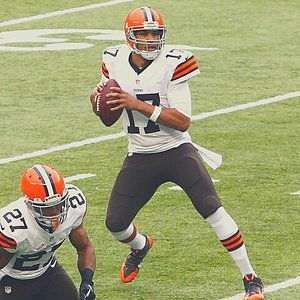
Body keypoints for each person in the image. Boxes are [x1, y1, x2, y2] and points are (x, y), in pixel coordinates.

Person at [90, 6, 264, 300]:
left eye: (155, 33)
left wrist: (136, 104)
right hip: (140, 154)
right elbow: (105, 112)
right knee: (115, 224)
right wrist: (96, 98)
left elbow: (182, 120)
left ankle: (251, 278)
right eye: (143, 33)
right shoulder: (113, 59)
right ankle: (141, 245)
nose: (150, 39)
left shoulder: (173, 62)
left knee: (212, 208)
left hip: (175, 150)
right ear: (129, 36)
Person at [0, 164, 96, 300]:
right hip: (12, 279)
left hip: (47, 271)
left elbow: (84, 247)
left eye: (59, 205)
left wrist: (87, 282)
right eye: (46, 209)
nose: (55, 213)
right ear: (30, 205)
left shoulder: (74, 207)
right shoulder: (15, 227)